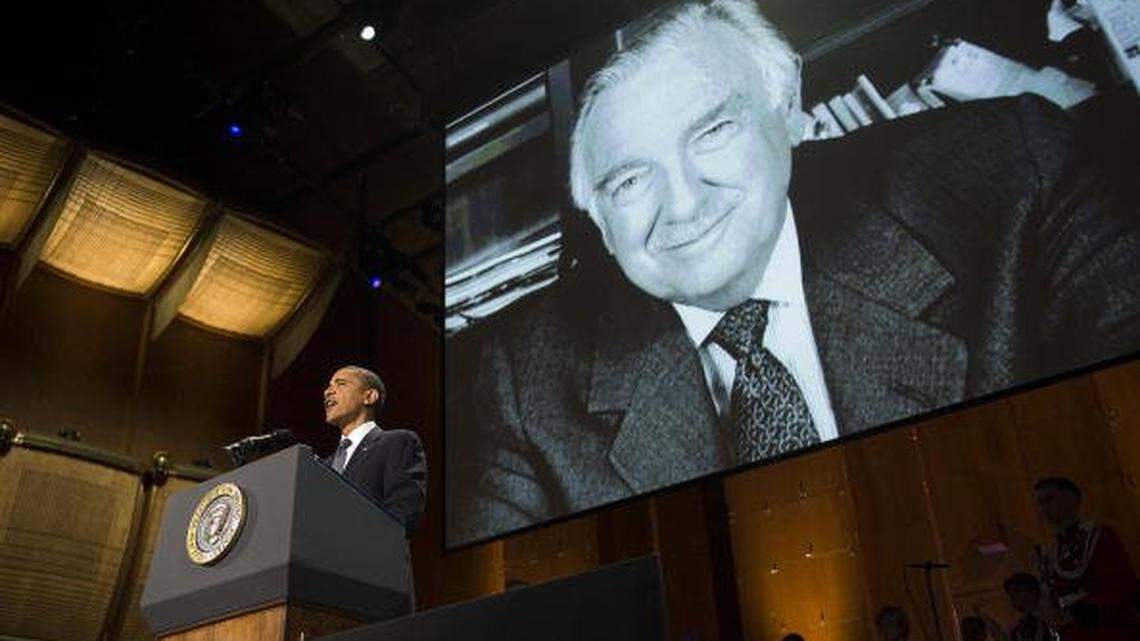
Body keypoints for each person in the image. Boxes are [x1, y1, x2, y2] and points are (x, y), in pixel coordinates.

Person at [444, 0, 1140, 546]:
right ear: (597, 219)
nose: (683, 206)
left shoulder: (1011, 172)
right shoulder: (520, 379)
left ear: (789, 113)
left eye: (713, 131)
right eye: (629, 180)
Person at [323, 364, 427, 536]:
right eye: (328, 386)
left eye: (340, 384)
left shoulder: (397, 442)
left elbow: (404, 513)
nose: (328, 391)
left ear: (369, 396)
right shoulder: (323, 465)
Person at [1033, 477, 1138, 641]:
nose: (1043, 508)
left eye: (1049, 498)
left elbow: (1121, 584)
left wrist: (1084, 611)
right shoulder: (1050, 554)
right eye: (1039, 503)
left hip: (1110, 630)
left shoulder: (1098, 536)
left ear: (1071, 498)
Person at [1001, 572, 1059, 641]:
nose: (1012, 596)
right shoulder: (1017, 628)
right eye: (1010, 593)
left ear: (1033, 592)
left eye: (1017, 591)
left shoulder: (1052, 619)